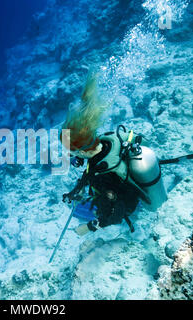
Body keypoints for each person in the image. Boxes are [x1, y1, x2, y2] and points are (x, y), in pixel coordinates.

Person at [59, 73, 154, 236]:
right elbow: (88, 170)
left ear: (82, 151)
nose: (71, 155)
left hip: (128, 202)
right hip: (119, 185)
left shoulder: (102, 175)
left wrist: (88, 227)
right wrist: (75, 191)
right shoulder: (106, 140)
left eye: (72, 151)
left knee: (85, 212)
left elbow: (116, 216)